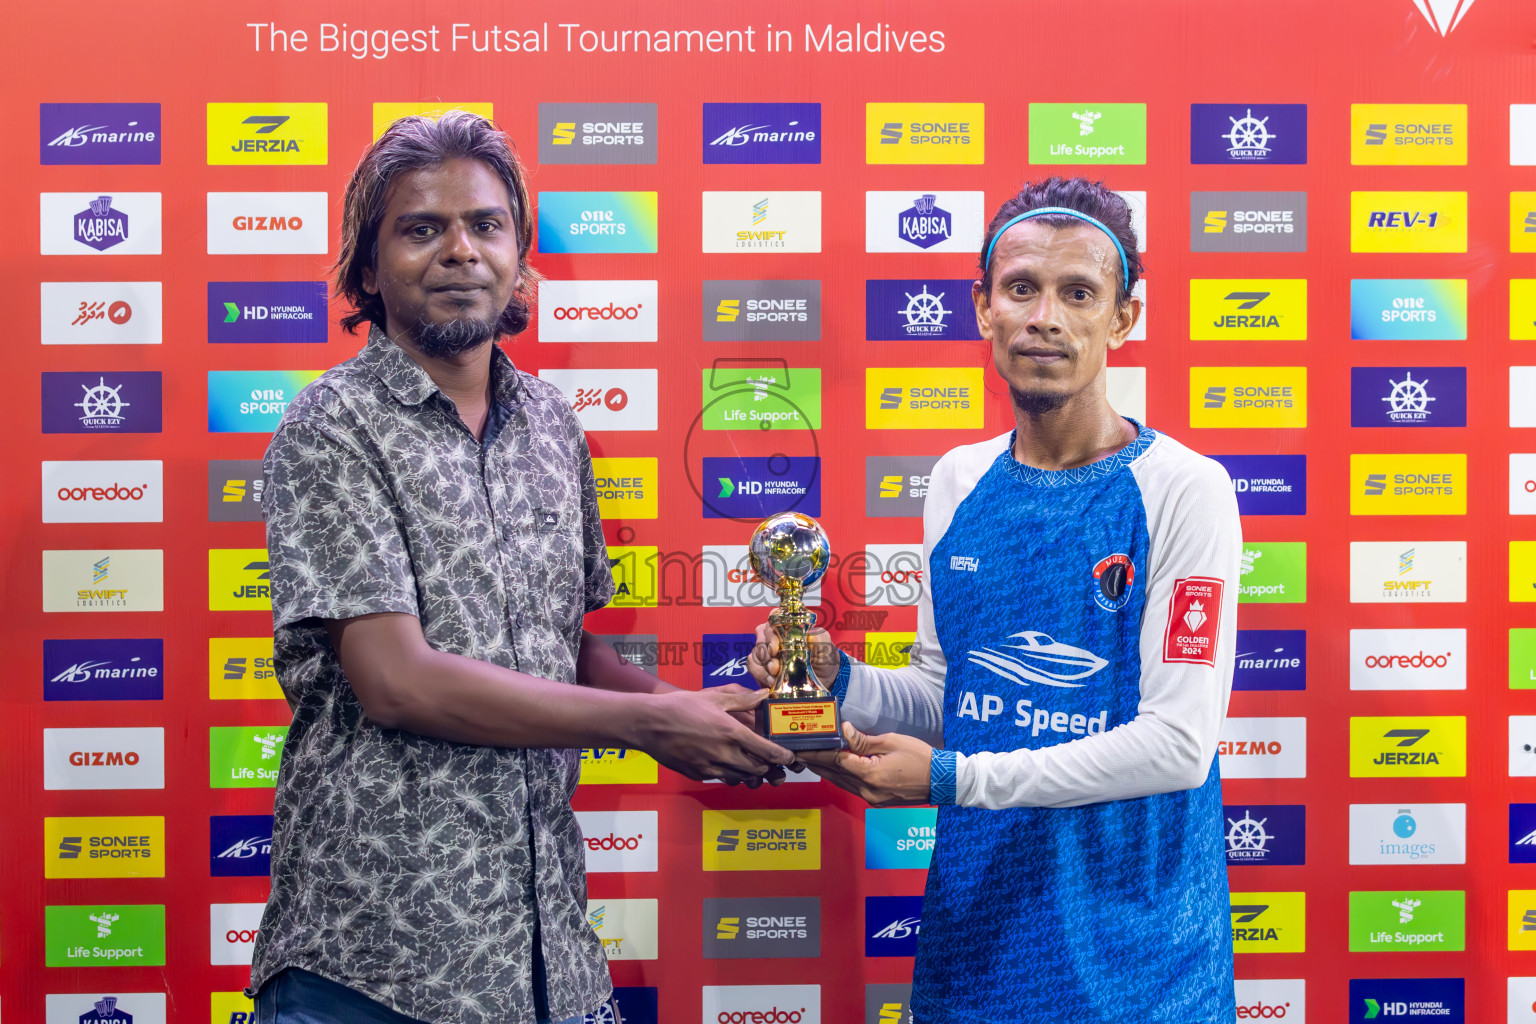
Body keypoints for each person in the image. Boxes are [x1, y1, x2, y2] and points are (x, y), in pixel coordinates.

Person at [249, 110, 791, 1024]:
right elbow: (396, 682)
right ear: (369, 270)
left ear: (519, 254)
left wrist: (698, 711)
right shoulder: (331, 426)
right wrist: (649, 725)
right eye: (422, 229)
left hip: (549, 957)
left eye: (485, 225)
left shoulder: (551, 425)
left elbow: (562, 648)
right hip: (375, 961)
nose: (460, 250)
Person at [751, 177, 1242, 1023]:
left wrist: (952, 779)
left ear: (1123, 317)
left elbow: (1177, 746)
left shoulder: (1185, 489)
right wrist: (839, 682)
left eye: (1078, 293)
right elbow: (952, 696)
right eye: (1022, 288)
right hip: (976, 947)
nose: (1045, 316)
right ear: (983, 308)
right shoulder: (958, 479)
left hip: (1140, 967)